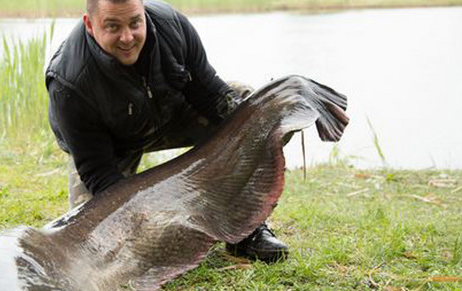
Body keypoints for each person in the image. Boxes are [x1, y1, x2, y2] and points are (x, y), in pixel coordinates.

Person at [45, 0, 288, 263]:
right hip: (111, 144)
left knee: (246, 106)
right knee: (95, 241)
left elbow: (209, 93)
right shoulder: (69, 82)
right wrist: (155, 214)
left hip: (168, 117)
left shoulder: (171, 25)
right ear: (90, 25)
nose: (127, 37)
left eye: (135, 23)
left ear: (144, 14)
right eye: (113, 26)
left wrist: (256, 126)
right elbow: (99, 174)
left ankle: (246, 230)